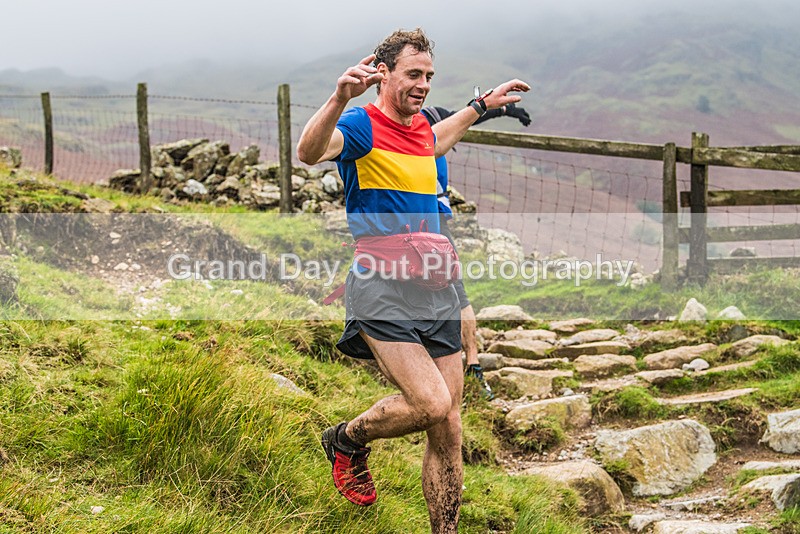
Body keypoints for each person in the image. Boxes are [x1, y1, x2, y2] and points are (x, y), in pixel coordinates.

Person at [296, 27, 529, 533]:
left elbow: (438, 139)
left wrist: (482, 105)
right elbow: (309, 152)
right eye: (413, 74)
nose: (423, 84)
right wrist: (338, 97)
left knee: (448, 425)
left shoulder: (423, 129)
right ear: (383, 73)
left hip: (437, 286)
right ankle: (347, 439)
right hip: (381, 284)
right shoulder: (360, 125)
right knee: (429, 403)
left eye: (428, 75)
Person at [421, 104, 531, 400]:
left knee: (455, 292)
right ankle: (458, 365)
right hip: (418, 221)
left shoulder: (432, 116)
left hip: (433, 220)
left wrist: (503, 108)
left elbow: (471, 113)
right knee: (445, 293)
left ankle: (470, 365)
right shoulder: (428, 115)